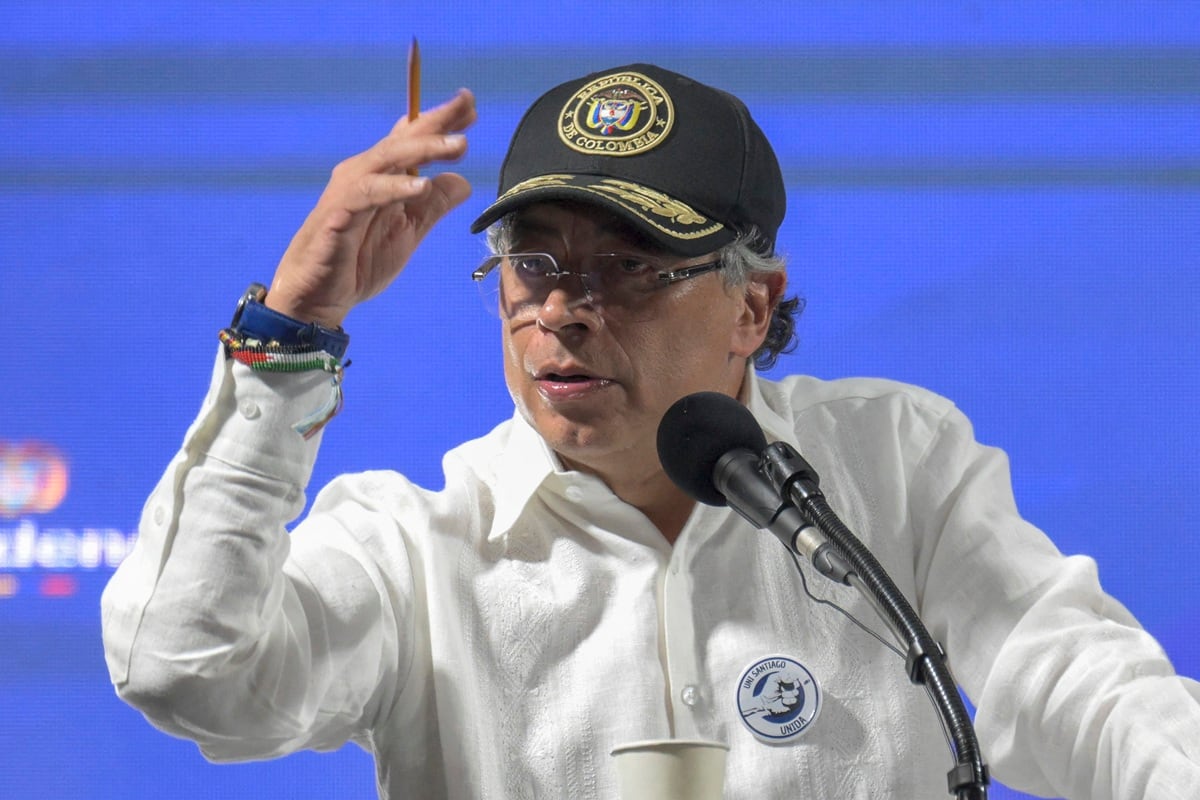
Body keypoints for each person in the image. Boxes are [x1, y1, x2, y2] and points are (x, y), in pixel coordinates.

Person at [101, 63, 1199, 799]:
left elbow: (1085, 689)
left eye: (625, 266)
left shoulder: (891, 465)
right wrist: (290, 339)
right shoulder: (415, 545)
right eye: (535, 262)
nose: (564, 309)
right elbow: (184, 669)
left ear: (751, 307)